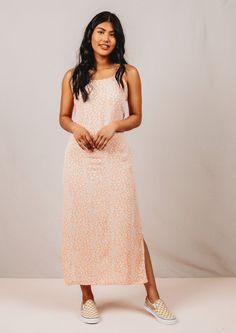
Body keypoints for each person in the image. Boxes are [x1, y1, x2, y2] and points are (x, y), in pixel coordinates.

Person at [59, 11, 177, 325]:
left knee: (129, 224)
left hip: (115, 159)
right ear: (89, 35)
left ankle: (153, 296)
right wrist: (76, 129)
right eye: (100, 31)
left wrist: (114, 126)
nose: (105, 38)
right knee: (82, 226)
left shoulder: (129, 73)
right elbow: (64, 117)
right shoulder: (73, 75)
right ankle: (87, 297)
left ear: (118, 39)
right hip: (81, 160)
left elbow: (136, 116)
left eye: (112, 33)